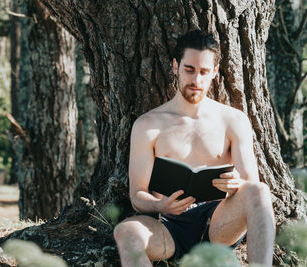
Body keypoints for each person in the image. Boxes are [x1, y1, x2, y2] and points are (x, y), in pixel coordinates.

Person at [113, 29, 275, 267]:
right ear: (175, 66)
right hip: (168, 227)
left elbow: (251, 185)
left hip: (217, 224)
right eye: (189, 70)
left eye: (203, 72)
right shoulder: (148, 125)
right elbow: (137, 195)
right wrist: (160, 205)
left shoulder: (233, 120)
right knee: (126, 232)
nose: (196, 80)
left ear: (215, 73)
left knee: (259, 191)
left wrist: (235, 185)